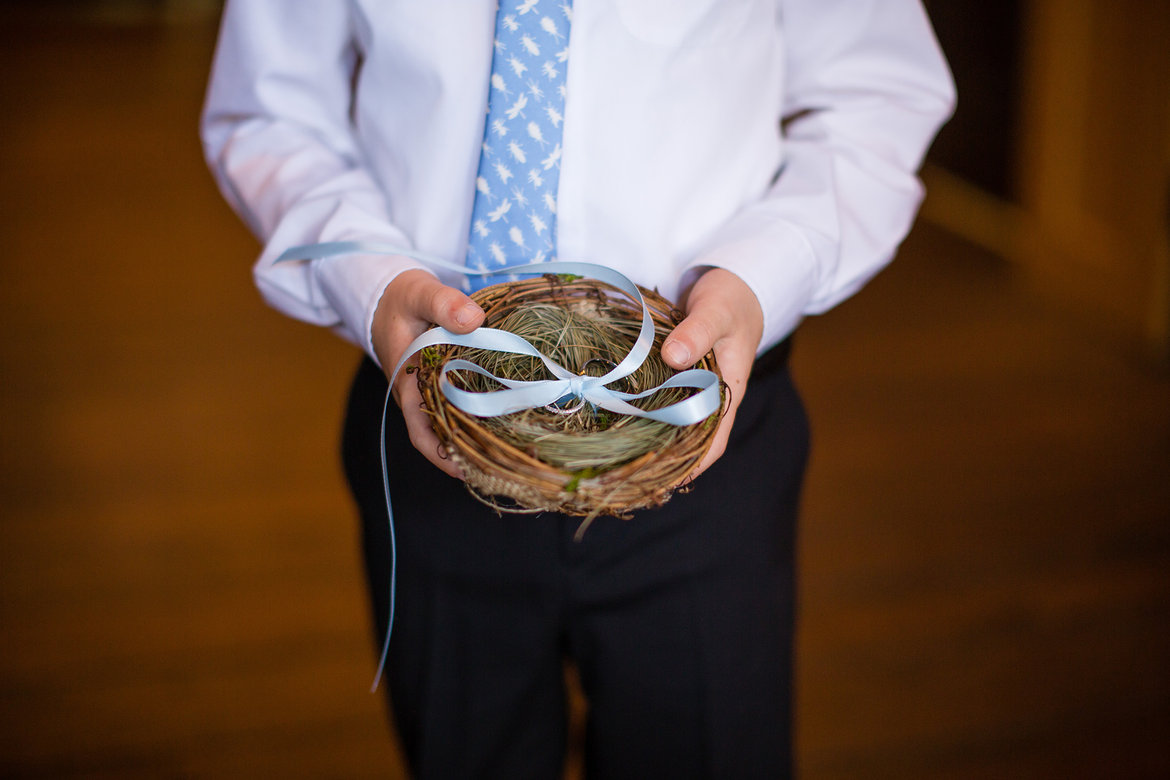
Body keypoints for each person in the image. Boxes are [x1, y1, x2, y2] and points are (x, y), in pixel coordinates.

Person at [201, 1, 953, 777]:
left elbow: (878, 93)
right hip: (431, 427)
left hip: (701, 444)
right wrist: (368, 282)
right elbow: (269, 112)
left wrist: (766, 271)